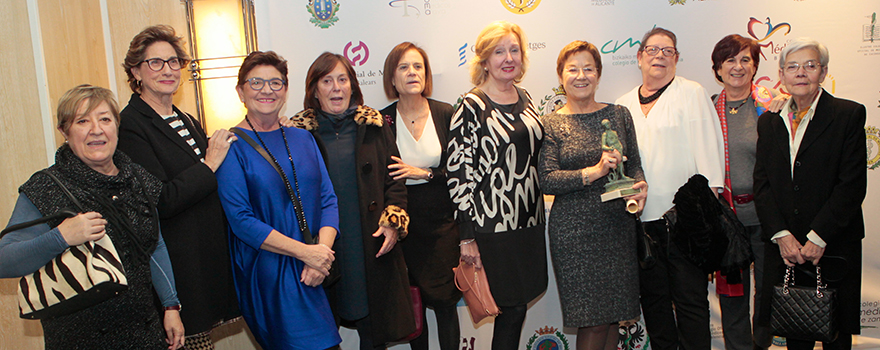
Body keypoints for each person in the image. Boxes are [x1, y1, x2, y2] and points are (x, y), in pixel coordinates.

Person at [0, 85, 185, 350]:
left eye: (105, 119)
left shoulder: (137, 179)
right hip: (78, 339)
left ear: (116, 127)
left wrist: (170, 304)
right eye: (82, 121)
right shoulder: (46, 186)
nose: (96, 129)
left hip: (145, 333)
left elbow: (154, 244)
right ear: (64, 132)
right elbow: (4, 261)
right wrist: (62, 236)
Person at [116, 25, 240, 350]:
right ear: (135, 71)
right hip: (177, 272)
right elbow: (162, 199)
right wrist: (209, 164)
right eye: (155, 62)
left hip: (205, 262)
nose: (168, 70)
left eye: (174, 62)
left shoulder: (184, 118)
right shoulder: (130, 125)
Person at [287, 52, 415, 350]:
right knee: (323, 329)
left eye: (342, 79)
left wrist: (394, 223)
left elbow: (395, 179)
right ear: (314, 90)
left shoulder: (374, 125)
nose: (336, 88)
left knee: (374, 330)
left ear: (353, 85)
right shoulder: (296, 134)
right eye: (327, 80)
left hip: (369, 242)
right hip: (321, 245)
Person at [215, 51, 342, 350]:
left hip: (317, 268)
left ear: (286, 90)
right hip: (271, 272)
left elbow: (328, 200)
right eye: (256, 82)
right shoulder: (231, 147)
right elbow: (241, 222)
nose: (267, 90)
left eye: (276, 82)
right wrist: (306, 254)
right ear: (240, 91)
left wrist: (320, 253)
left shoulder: (303, 138)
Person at [614, 27, 725, 350]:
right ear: (639, 57)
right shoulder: (622, 105)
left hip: (683, 222)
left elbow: (710, 159)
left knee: (690, 304)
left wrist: (705, 218)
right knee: (655, 305)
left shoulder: (692, 93)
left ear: (677, 59)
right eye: (652, 50)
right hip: (640, 223)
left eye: (668, 51)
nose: (660, 56)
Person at [754, 38, 866, 350]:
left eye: (810, 65)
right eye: (792, 66)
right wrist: (781, 235)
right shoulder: (769, 121)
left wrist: (819, 236)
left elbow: (852, 185)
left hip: (833, 243)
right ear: (781, 75)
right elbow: (762, 185)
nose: (801, 72)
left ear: (824, 71)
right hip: (786, 248)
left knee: (836, 337)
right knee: (796, 334)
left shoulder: (848, 115)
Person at [538, 40, 647, 350]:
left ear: (598, 75)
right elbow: (547, 180)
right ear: (560, 76)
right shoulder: (550, 124)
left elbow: (635, 164)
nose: (581, 75)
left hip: (617, 228)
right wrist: (595, 171)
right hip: (575, 234)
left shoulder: (619, 114)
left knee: (613, 319)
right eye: (573, 69)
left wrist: (640, 187)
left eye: (588, 68)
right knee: (593, 321)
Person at [446, 20, 548, 349]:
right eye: (499, 51)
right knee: (511, 308)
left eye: (514, 50)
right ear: (485, 60)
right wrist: (466, 237)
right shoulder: (471, 105)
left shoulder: (526, 96)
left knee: (515, 311)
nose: (508, 58)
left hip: (528, 223)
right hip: (491, 227)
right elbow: (458, 173)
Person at [379, 42, 461, 350]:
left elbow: (461, 173)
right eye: (403, 67)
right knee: (414, 309)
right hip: (402, 230)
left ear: (426, 75)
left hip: (442, 226)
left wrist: (423, 173)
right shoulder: (381, 120)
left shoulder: (446, 113)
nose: (412, 73)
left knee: (445, 305)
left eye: (418, 67)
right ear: (392, 78)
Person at [709, 34, 784, 350]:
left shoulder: (771, 106)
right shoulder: (709, 110)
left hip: (768, 218)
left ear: (754, 67)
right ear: (717, 69)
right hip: (728, 221)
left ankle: (761, 345)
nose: (737, 67)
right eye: (730, 60)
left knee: (768, 292)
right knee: (733, 295)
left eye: (745, 60)